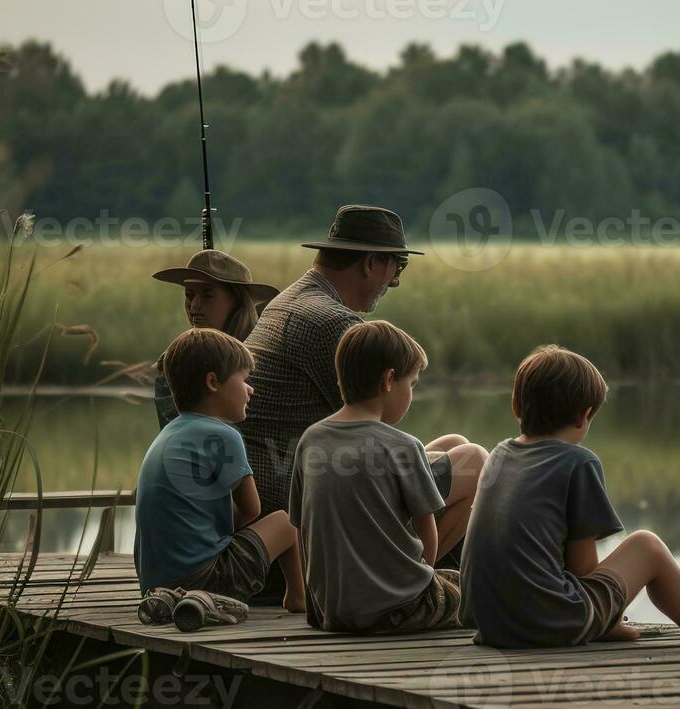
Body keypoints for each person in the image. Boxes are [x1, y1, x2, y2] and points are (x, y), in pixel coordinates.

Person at [459, 345, 680, 649]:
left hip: (490, 626)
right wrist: (602, 616)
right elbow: (584, 570)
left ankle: (597, 620)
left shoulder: (500, 455)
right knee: (646, 546)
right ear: (584, 416)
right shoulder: (577, 462)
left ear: (516, 405)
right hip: (548, 624)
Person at [239, 204, 485, 597]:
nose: (396, 282)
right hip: (300, 526)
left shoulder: (290, 300)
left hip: (280, 501)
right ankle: (404, 587)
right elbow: (383, 430)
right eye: (397, 267)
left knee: (452, 445)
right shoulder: (334, 324)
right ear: (371, 263)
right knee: (474, 463)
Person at [291, 321, 482, 634]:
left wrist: (315, 604)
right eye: (413, 384)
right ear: (390, 380)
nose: (411, 393)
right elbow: (428, 536)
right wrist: (424, 579)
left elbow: (300, 527)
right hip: (397, 610)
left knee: (452, 444)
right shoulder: (403, 446)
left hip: (332, 610)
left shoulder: (311, 439)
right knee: (481, 589)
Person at [133, 328, 304, 615]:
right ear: (213, 382)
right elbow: (251, 509)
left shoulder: (167, 435)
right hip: (206, 577)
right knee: (286, 522)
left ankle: (179, 600)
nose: (250, 390)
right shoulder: (224, 436)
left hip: (155, 583)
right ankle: (298, 599)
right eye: (244, 380)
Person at [149, 250, 279, 429]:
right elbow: (180, 433)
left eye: (207, 295)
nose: (194, 305)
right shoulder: (177, 361)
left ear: (238, 301)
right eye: (189, 295)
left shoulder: (268, 349)